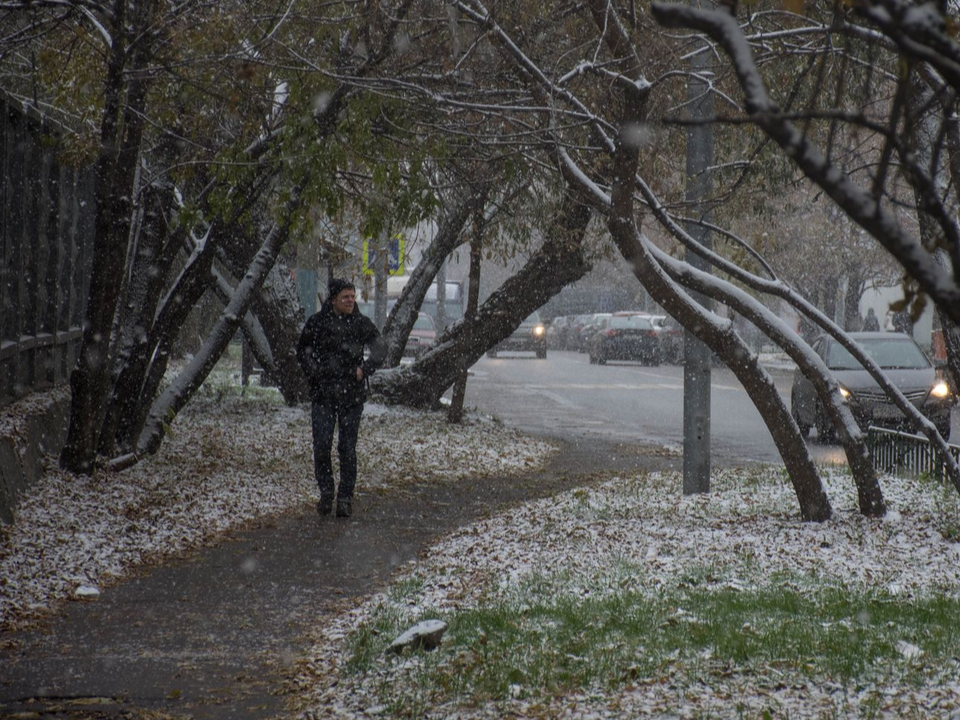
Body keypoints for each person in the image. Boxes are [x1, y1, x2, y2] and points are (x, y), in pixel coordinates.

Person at [297, 279, 386, 518]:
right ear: (334, 299)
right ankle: (326, 493)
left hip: (351, 396)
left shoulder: (361, 323)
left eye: (353, 296)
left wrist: (364, 369)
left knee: (347, 448)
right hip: (323, 394)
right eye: (346, 297)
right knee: (322, 445)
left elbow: (380, 349)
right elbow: (302, 351)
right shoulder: (317, 323)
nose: (350, 301)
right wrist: (315, 372)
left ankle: (345, 497)